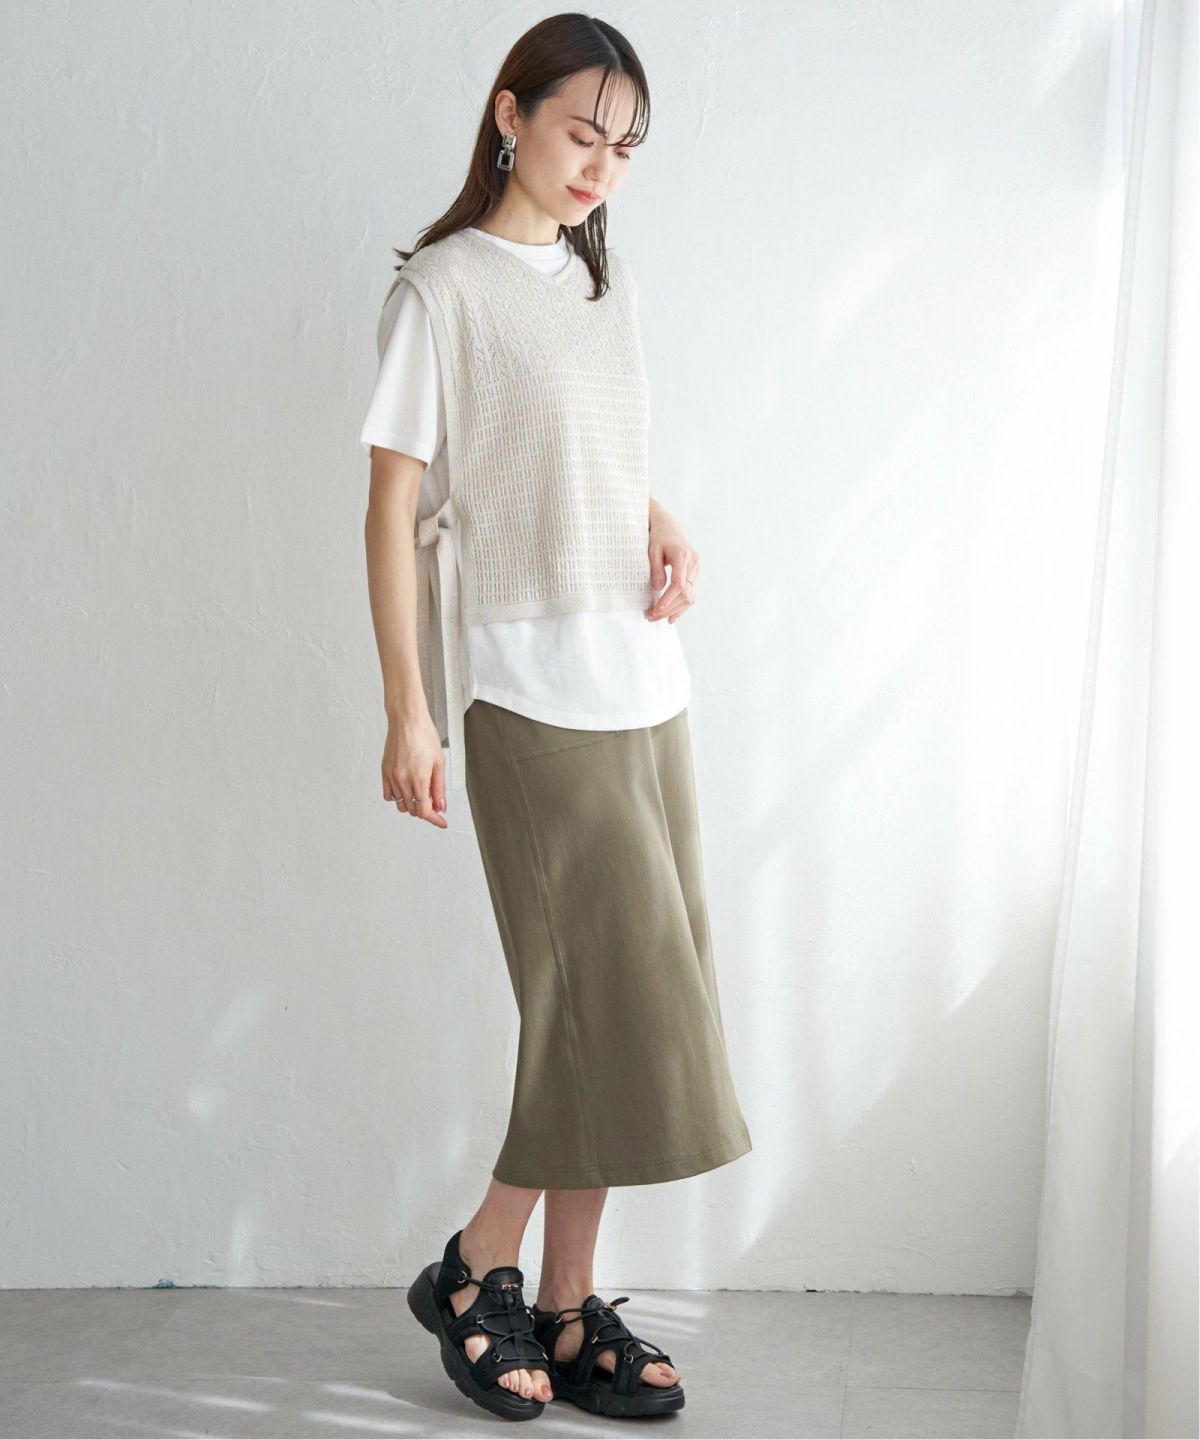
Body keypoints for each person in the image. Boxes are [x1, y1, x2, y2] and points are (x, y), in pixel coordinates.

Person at [360, 13, 752, 1423]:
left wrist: (660, 520)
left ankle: (569, 1304)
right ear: (510, 114)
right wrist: (410, 712)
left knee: (631, 1011)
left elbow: (589, 448)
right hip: (528, 691)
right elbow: (393, 512)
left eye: (625, 148)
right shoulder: (441, 293)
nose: (600, 167)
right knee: (593, 1002)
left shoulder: (602, 278)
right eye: (582, 132)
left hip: (643, 681)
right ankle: (479, 1266)